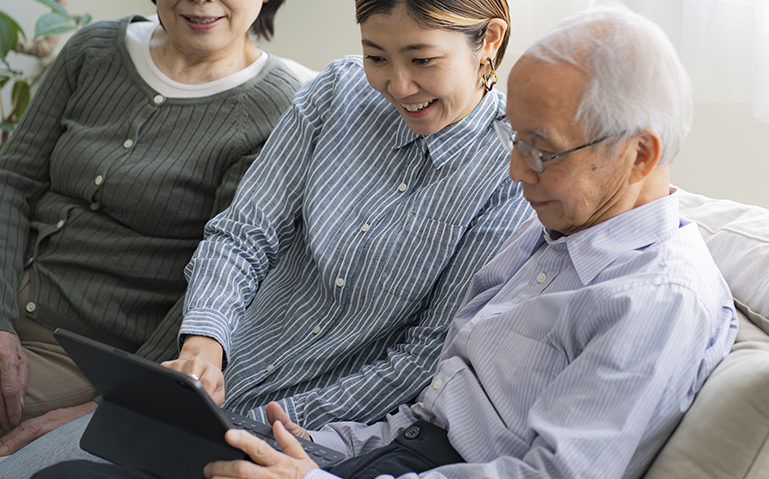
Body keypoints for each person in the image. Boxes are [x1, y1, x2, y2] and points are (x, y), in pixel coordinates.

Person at [29, 4, 740, 479]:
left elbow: (533, 467)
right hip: (343, 442)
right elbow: (430, 408)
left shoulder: (653, 292)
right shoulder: (561, 237)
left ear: (639, 155)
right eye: (375, 56)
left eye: (539, 148)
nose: (518, 166)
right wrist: (306, 446)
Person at [0, 0, 533, 475]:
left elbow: (426, 354)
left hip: (303, 441)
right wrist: (204, 346)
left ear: (488, 40)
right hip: (204, 392)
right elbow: (243, 235)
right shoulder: (336, 92)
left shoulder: (513, 170)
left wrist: (257, 420)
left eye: (421, 60)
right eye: (376, 57)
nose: (397, 85)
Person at [0, 0, 305, 457]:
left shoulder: (275, 110)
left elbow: (224, 270)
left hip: (94, 353)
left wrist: (113, 401)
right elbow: (12, 183)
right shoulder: (94, 49)